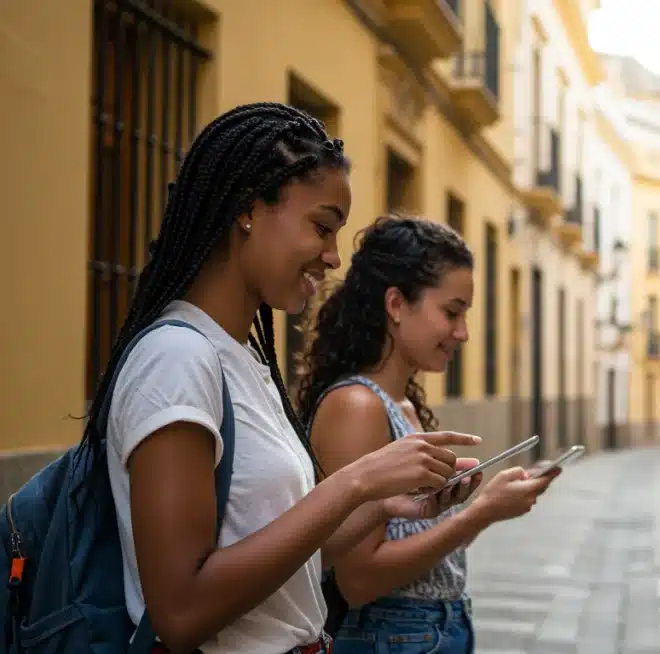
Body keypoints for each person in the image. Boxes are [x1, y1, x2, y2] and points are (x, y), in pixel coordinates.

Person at [99, 102, 480, 654]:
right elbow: (180, 611)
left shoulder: (247, 362)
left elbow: (292, 565)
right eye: (322, 227)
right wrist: (356, 483)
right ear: (249, 208)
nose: (332, 257)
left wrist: (391, 505)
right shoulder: (176, 359)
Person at [296, 215, 562, 654]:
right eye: (452, 312)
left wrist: (482, 506)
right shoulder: (358, 406)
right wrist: (479, 515)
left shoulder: (402, 404)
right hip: (390, 635)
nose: (463, 333)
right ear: (397, 304)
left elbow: (415, 551)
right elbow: (359, 578)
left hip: (430, 631)